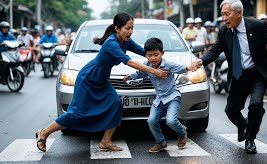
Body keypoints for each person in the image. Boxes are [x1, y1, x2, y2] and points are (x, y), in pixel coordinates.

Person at [35, 13, 169, 152]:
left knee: (116, 104)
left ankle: (105, 141)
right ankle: (43, 133)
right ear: (117, 28)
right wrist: (154, 71)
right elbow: (128, 61)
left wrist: (165, 62)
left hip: (102, 79)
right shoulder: (111, 43)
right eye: (127, 28)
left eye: (132, 28)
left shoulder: (126, 41)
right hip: (88, 78)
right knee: (77, 113)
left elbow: (144, 52)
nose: (130, 31)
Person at [190, 0, 267, 154]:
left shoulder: (257, 25)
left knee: (255, 105)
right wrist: (201, 61)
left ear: (239, 13)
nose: (224, 18)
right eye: (222, 14)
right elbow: (216, 49)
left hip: (257, 74)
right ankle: (243, 125)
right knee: (230, 111)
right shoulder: (223, 29)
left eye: (227, 14)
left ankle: (250, 138)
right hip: (238, 75)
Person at [123, 38, 191, 153]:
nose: (153, 58)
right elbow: (140, 73)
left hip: (173, 97)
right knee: (151, 121)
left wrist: (189, 67)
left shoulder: (168, 65)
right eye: (149, 55)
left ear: (162, 53)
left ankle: (182, 131)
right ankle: (161, 143)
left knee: (171, 121)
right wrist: (129, 77)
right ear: (146, 55)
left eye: (156, 55)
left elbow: (181, 68)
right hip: (159, 100)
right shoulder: (147, 65)